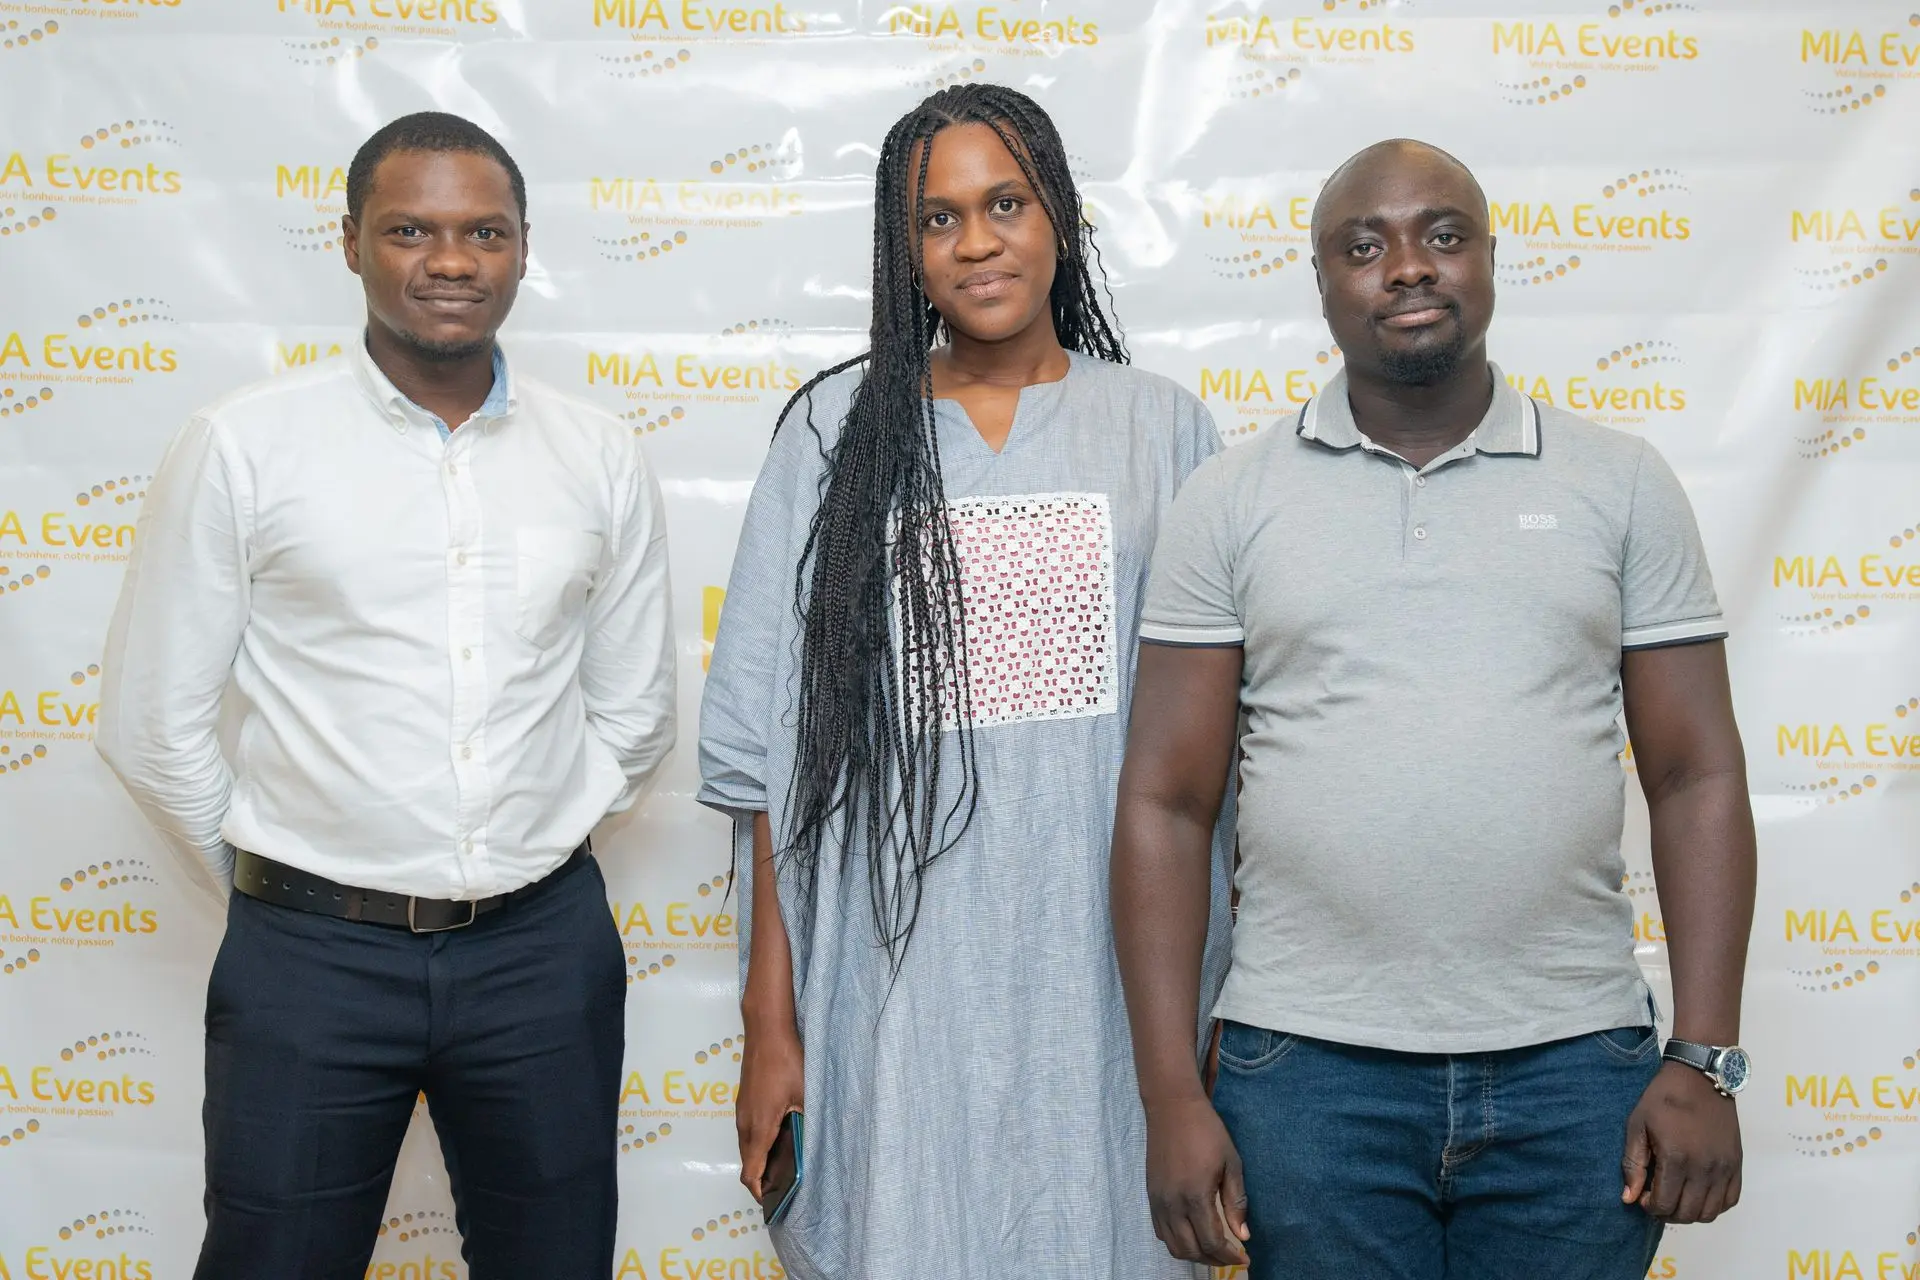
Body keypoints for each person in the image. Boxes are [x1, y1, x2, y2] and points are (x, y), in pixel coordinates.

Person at [1110, 139, 1757, 1279]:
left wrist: (1704, 1059)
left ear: (1491, 259)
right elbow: (1166, 801)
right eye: (1365, 246)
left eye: (1442, 235)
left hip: (1576, 1067)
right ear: (1322, 283)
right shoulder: (1229, 500)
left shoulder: (1619, 482)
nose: (1408, 266)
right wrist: (1170, 1094)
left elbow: (1695, 772)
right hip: (1305, 1071)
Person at [95, 111, 675, 1279]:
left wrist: (525, 845)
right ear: (351, 241)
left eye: (484, 232)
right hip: (308, 961)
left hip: (541, 954)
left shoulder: (598, 452)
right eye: (411, 229)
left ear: (524, 248)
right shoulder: (244, 444)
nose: (451, 260)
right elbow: (151, 723)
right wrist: (289, 881)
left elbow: (635, 713)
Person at [698, 83, 1233, 1279]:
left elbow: (1221, 765)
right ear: (905, 250)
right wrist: (769, 1023)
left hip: (1110, 977)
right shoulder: (832, 433)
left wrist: (1217, 1015)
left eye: (1006, 204)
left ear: (1061, 219)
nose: (977, 241)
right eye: (938, 218)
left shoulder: (1161, 431)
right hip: (896, 985)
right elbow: (768, 766)